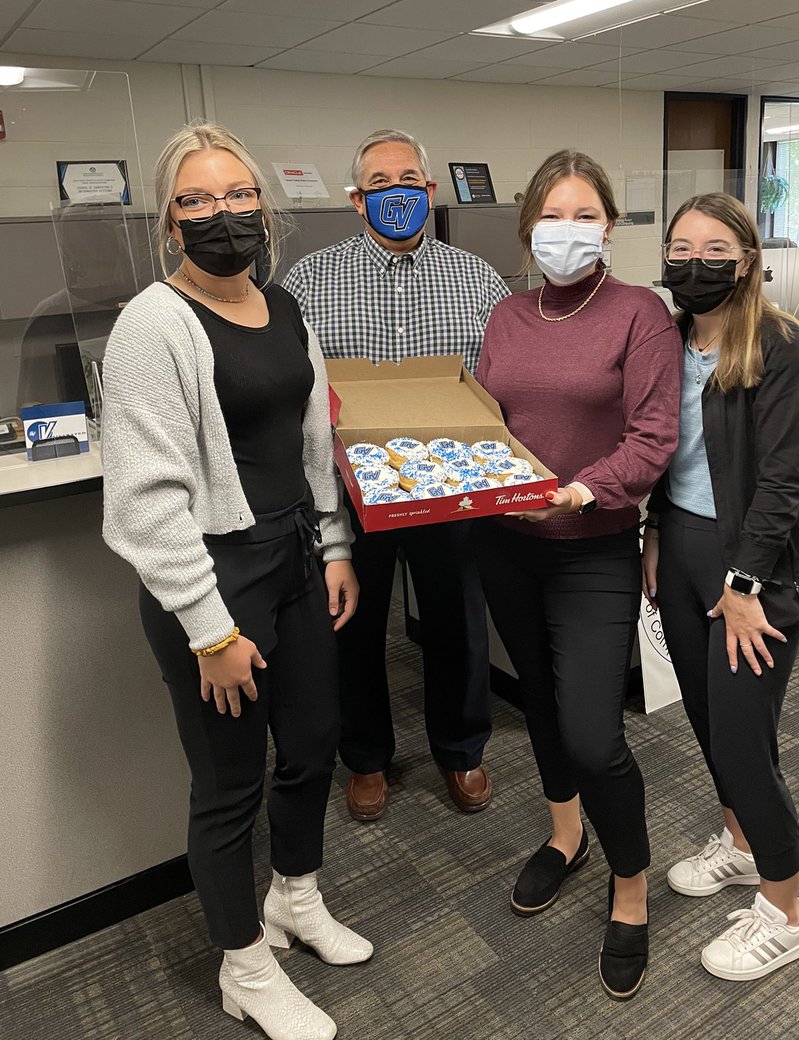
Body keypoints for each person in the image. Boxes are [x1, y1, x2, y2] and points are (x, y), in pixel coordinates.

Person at [102, 123, 370, 1040]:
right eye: (197, 200)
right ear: (170, 223)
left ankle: (296, 897)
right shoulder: (153, 322)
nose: (223, 215)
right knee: (228, 785)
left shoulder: (284, 304)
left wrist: (334, 543)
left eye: (237, 195)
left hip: (293, 555)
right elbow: (144, 504)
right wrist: (211, 634)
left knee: (313, 744)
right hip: (212, 577)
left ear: (265, 205)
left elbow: (308, 444)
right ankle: (243, 966)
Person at [473, 150, 682, 1000]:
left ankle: (629, 887)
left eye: (583, 214)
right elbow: (489, 416)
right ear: (528, 228)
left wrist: (581, 489)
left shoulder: (641, 315)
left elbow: (653, 437)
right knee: (543, 708)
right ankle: (568, 838)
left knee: (596, 734)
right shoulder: (506, 313)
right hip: (507, 545)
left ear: (608, 224)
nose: (567, 230)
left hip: (593, 545)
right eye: (552, 215)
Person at [282, 128, 509, 822]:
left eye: (409, 179)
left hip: (451, 484)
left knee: (457, 625)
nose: (397, 193)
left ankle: (461, 750)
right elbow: (293, 386)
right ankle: (367, 758)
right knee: (354, 627)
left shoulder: (479, 277)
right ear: (356, 200)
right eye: (379, 184)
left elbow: (501, 379)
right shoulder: (309, 279)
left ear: (432, 192)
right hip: (353, 491)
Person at [641, 192, 799, 982]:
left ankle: (786, 912)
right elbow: (658, 446)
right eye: (681, 248)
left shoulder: (778, 344)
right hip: (680, 545)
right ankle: (742, 848)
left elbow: (782, 482)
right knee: (715, 727)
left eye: (716, 249)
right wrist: (653, 531)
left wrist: (744, 583)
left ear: (746, 259)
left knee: (746, 745)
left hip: (754, 565)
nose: (695, 263)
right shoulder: (669, 337)